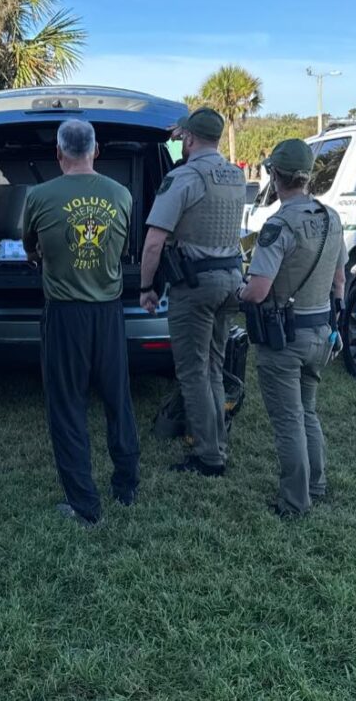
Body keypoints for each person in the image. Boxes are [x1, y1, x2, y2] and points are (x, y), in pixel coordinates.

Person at [22, 119, 139, 527]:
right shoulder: (121, 194)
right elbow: (122, 247)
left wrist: (42, 258)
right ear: (96, 150)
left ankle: (84, 504)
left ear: (58, 152)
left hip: (65, 315)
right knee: (117, 400)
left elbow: (30, 247)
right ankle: (126, 484)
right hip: (108, 312)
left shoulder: (38, 195)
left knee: (67, 408)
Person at [238, 139, 346, 518]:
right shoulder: (332, 218)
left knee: (288, 421)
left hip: (284, 339)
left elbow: (259, 289)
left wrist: (240, 290)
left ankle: (294, 502)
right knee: (308, 412)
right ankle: (316, 483)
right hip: (320, 333)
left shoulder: (279, 225)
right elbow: (339, 280)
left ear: (275, 176)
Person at [139, 108, 246, 477]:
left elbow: (154, 242)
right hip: (230, 281)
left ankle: (207, 457)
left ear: (188, 139)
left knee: (192, 371)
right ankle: (217, 441)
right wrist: (184, 132)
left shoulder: (184, 177)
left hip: (195, 287)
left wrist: (146, 287)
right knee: (214, 365)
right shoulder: (235, 174)